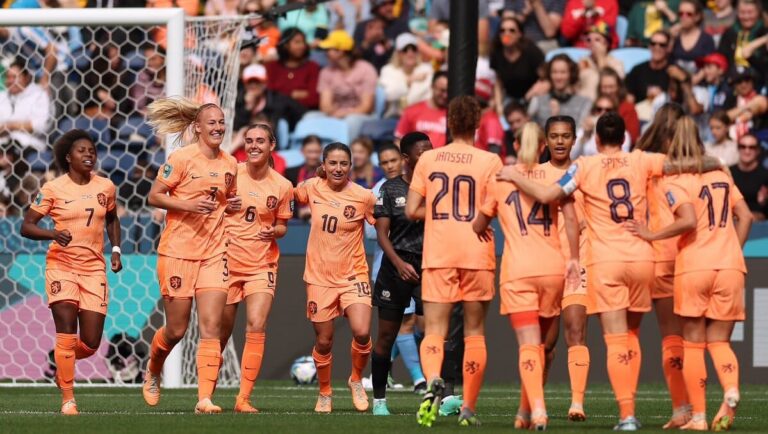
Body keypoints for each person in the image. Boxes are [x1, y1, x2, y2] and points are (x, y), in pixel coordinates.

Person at [496, 111, 722, 430]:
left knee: (614, 339)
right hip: (643, 259)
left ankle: (627, 415)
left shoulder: (585, 166)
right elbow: (684, 164)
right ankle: (677, 407)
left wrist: (513, 175)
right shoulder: (641, 160)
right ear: (625, 137)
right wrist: (717, 163)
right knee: (632, 336)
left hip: (605, 261)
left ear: (595, 139)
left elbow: (548, 194)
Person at [625, 116, 752, 431]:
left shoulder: (674, 180)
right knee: (720, 342)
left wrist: (650, 235)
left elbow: (688, 220)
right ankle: (731, 390)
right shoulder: (721, 174)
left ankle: (697, 416)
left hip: (693, 266)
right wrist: (731, 247)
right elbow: (746, 216)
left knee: (693, 344)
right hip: (731, 266)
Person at [473, 122, 580, 431]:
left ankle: (540, 412)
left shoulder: (500, 180)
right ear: (544, 145)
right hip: (552, 269)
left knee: (528, 345)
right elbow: (571, 218)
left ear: (516, 146)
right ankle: (524, 413)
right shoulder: (557, 177)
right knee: (542, 347)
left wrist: (483, 226)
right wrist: (573, 258)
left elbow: (479, 225)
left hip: (518, 272)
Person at [406, 96, 503, 427]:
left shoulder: (429, 159)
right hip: (476, 252)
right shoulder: (490, 161)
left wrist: (435, 216)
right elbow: (496, 207)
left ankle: (432, 379)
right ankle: (468, 409)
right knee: (474, 331)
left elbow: (410, 210)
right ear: (478, 123)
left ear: (449, 124)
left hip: (439, 252)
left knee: (434, 329)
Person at [142, 98, 240, 414]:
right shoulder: (181, 158)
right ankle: (154, 367)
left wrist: (232, 206)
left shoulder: (230, 163)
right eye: (212, 122)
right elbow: (154, 196)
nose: (218, 127)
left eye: (221, 122)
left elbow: (227, 200)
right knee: (177, 330)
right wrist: (188, 205)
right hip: (178, 252)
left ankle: (204, 399)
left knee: (211, 327)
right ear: (197, 127)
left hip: (214, 253)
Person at [20, 130, 122, 415]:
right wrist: (52, 233)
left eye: (92, 150)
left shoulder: (106, 186)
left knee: (90, 342)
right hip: (61, 265)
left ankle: (61, 361)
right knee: (66, 329)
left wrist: (115, 250)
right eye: (82, 151)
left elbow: (112, 218)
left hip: (93, 269)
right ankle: (68, 399)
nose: (89, 154)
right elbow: (26, 226)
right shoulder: (53, 188)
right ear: (68, 157)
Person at [294, 142, 377, 414]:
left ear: (351, 165)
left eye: (344, 163)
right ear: (324, 165)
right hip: (319, 277)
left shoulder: (364, 196)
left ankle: (355, 379)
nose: (338, 168)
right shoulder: (311, 187)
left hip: (354, 273)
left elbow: (383, 223)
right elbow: (289, 197)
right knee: (324, 341)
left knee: (363, 331)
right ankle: (325, 392)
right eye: (333, 163)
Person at [218, 123, 293, 413]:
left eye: (260, 141)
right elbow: (210, 210)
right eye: (249, 141)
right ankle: (206, 395)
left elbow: (284, 224)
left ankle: (243, 399)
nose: (253, 146)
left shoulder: (282, 185)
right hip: (225, 260)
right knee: (220, 333)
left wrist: (275, 230)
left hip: (262, 263)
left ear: (271, 145)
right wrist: (225, 206)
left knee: (257, 325)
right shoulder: (230, 174)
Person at [633, 103, 694, 428]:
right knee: (696, 338)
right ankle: (696, 409)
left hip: (660, 255)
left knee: (671, 337)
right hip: (694, 254)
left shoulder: (640, 161)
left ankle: (682, 408)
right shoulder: (695, 164)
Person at [371, 134, 433, 415]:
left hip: (431, 266)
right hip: (397, 266)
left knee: (437, 334)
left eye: (431, 151)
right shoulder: (391, 188)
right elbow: (382, 235)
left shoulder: (438, 187)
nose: (429, 157)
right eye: (423, 153)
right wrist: (398, 263)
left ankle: (442, 398)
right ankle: (380, 400)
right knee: (386, 335)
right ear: (407, 159)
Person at [317, 30, 378, 140]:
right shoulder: (326, 71)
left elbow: (366, 106)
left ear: (341, 51)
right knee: (308, 118)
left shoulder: (366, 69)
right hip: (335, 113)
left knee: (351, 121)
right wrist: (335, 113)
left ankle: (342, 153)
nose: (326, 52)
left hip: (361, 115)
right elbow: (325, 106)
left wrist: (344, 113)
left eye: (329, 49)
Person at [490, 16, 545, 104]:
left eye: (512, 30)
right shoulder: (497, 53)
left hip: (533, 97)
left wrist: (530, 95)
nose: (506, 34)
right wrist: (499, 105)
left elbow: (545, 79)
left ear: (519, 34)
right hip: (510, 98)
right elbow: (498, 82)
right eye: (502, 31)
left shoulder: (531, 51)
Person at [378, 33, 434, 118]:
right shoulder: (388, 70)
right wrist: (409, 81)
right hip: (395, 118)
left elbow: (428, 96)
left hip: (420, 116)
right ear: (398, 53)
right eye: (405, 50)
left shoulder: (427, 69)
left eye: (413, 49)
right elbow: (390, 95)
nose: (410, 53)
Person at [528, 54, 592, 128]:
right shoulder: (537, 101)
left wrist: (556, 117)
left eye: (563, 72)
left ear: (571, 74)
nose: (558, 77)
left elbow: (580, 134)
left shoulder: (584, 103)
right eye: (554, 72)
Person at [266, 28, 321, 110]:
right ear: (285, 45)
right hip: (277, 111)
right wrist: (292, 94)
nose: (302, 46)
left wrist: (283, 94)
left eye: (303, 42)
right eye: (297, 42)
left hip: (304, 112)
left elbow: (314, 99)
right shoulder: (272, 66)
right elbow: (269, 94)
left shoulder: (312, 67)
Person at [395, 72, 449, 148]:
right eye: (442, 90)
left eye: (448, 91)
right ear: (432, 87)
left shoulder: (453, 113)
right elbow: (399, 141)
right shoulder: (412, 111)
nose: (445, 95)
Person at [576, 22, 624, 102]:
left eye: (597, 40)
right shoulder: (582, 61)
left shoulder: (616, 63)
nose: (592, 43)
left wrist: (600, 58)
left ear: (606, 43)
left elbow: (611, 84)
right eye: (589, 40)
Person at [626, 30, 672, 103]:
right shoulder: (637, 70)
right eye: (653, 44)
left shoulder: (673, 72)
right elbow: (629, 99)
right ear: (649, 46)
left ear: (668, 48)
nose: (657, 47)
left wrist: (661, 96)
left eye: (662, 45)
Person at [730, 133, 768, 221]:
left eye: (752, 147)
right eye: (743, 146)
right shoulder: (728, 173)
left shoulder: (765, 175)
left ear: (758, 150)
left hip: (758, 224)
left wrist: (764, 202)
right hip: (732, 221)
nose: (747, 151)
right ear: (738, 148)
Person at [671, 0, 716, 74]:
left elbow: (709, 65)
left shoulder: (706, 39)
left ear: (697, 17)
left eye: (689, 14)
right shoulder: (675, 36)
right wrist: (671, 39)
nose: (683, 17)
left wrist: (691, 82)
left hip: (699, 82)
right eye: (680, 14)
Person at [598, 67, 640, 143]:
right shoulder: (596, 107)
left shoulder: (628, 108)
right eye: (604, 87)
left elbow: (632, 138)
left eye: (611, 87)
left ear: (618, 87)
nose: (608, 91)